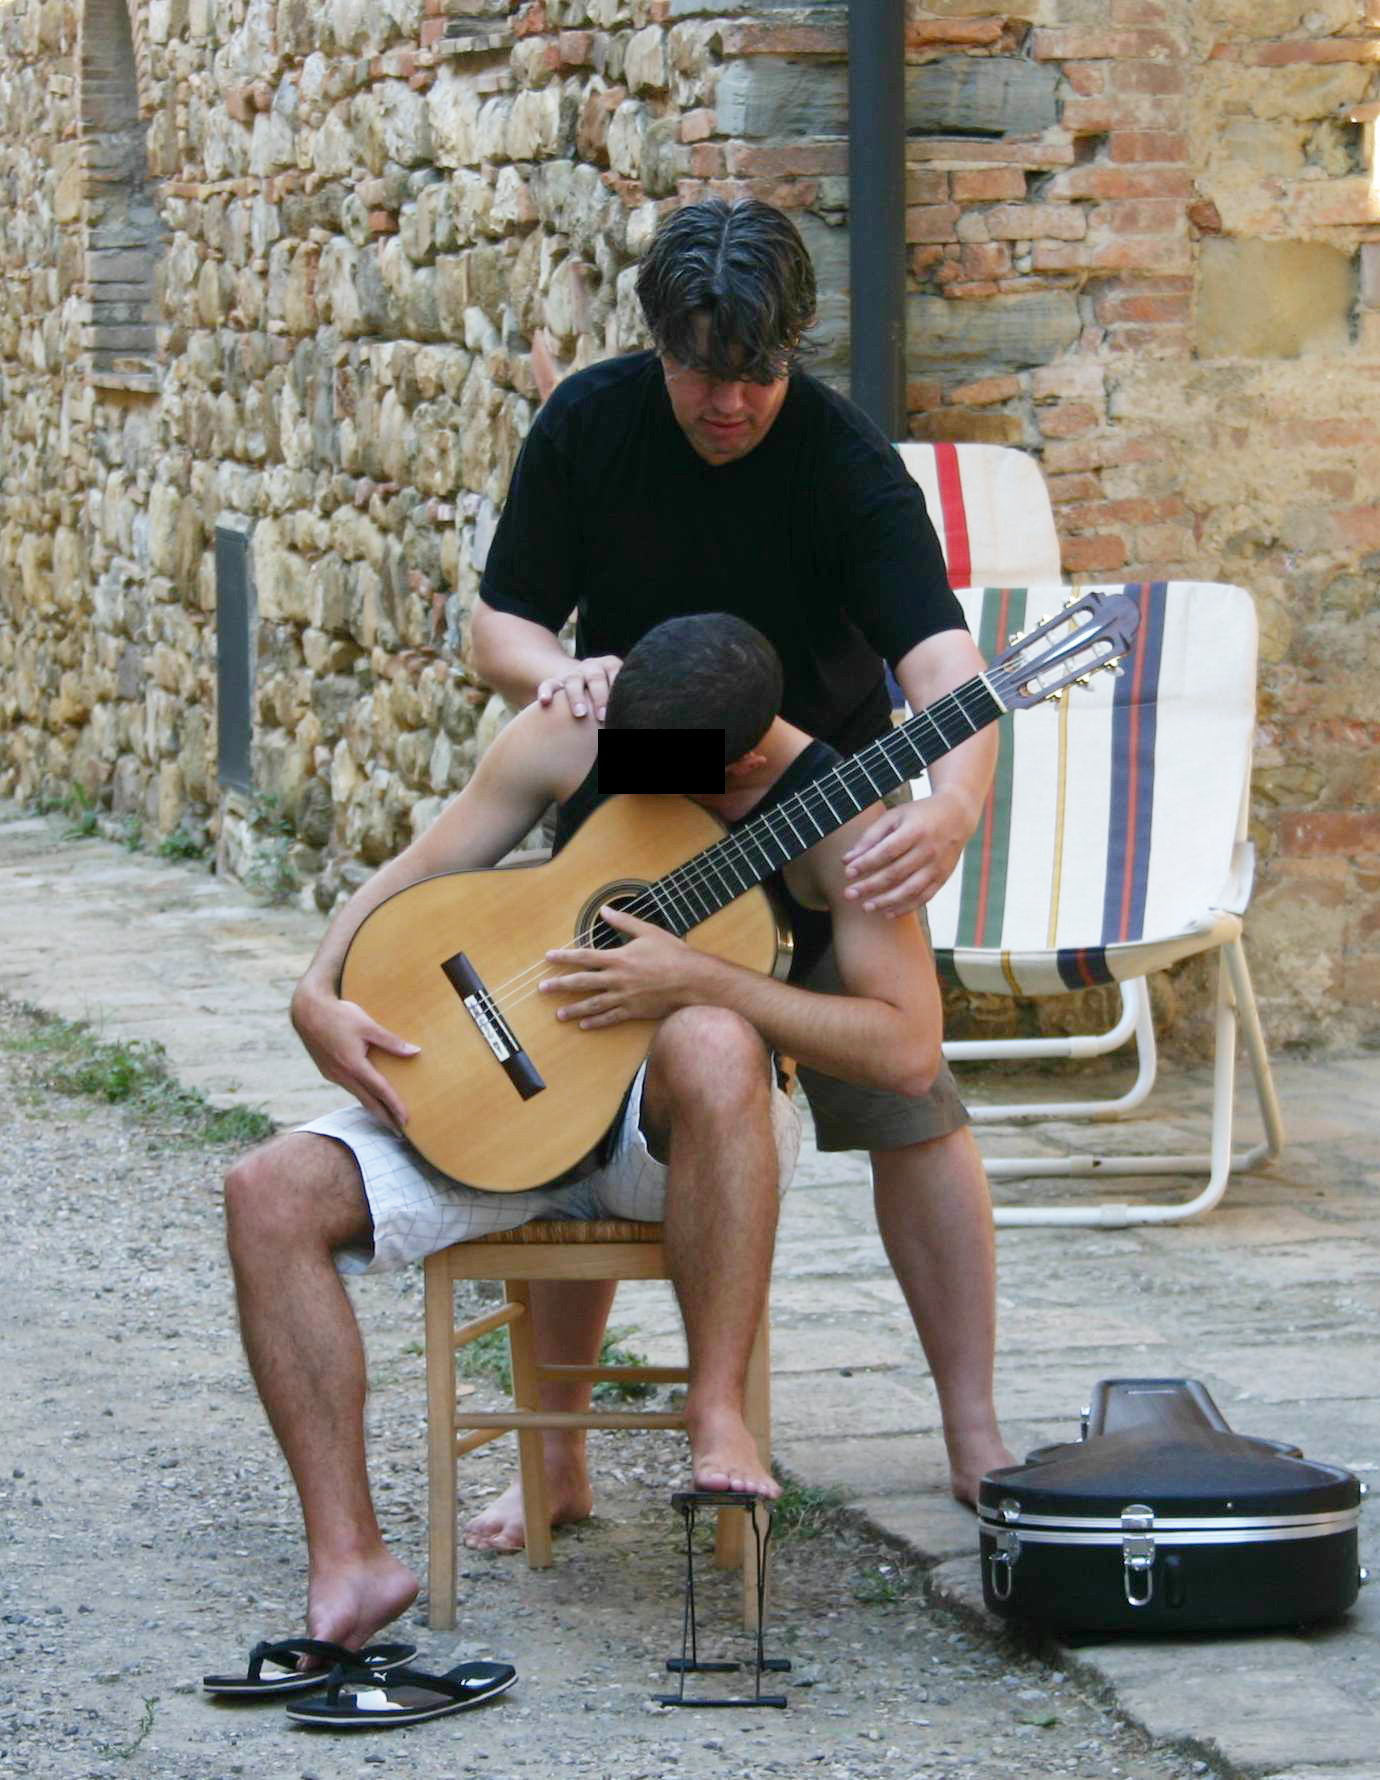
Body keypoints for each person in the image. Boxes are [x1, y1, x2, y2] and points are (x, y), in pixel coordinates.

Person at [223, 612, 944, 1653]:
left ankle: (715, 1408)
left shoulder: (847, 821)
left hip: (687, 1143)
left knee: (709, 1037)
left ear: (745, 755)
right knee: (266, 1193)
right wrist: (316, 987)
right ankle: (351, 1559)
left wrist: (703, 978)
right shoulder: (581, 728)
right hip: (508, 1114)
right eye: (630, 753)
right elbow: (424, 864)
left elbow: (907, 1050)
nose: (638, 776)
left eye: (672, 766)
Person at [469, 197, 1016, 1543]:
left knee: (916, 1101)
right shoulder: (591, 426)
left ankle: (974, 1429)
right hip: (631, 812)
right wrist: (565, 675)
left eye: (762, 370)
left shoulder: (841, 461)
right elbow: (501, 623)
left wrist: (947, 813)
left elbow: (949, 672)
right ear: (660, 345)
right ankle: (556, 1460)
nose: (733, 400)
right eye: (707, 371)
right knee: (573, 1110)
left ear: (793, 347)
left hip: (811, 798)